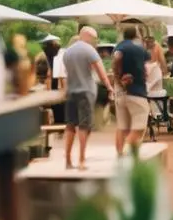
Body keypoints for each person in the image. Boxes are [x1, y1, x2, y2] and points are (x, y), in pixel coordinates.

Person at [61, 26, 113, 170]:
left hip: (71, 92)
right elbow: (101, 72)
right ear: (88, 36)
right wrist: (109, 87)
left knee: (70, 125)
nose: (94, 42)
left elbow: (67, 73)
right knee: (84, 126)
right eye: (94, 38)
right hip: (86, 92)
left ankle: (68, 160)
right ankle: (81, 160)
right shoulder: (89, 50)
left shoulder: (67, 52)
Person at [111, 26, 150, 154]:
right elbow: (146, 69)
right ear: (136, 35)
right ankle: (129, 152)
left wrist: (118, 79)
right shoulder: (138, 48)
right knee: (139, 128)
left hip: (120, 93)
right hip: (136, 91)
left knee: (122, 127)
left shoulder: (118, 47)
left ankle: (120, 156)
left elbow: (116, 60)